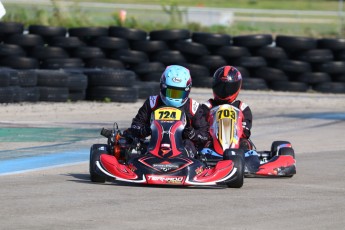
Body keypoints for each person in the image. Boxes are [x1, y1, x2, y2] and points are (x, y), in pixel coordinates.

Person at [124, 65, 209, 158]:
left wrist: (192, 133)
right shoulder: (152, 102)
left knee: (189, 145)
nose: (174, 97)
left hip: (183, 148)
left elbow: (204, 136)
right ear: (162, 87)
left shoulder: (193, 107)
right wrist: (143, 130)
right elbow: (136, 126)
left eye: (179, 93)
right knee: (134, 146)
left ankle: (182, 161)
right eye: (170, 92)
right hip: (155, 144)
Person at [202, 65, 259, 172]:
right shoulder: (207, 106)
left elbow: (246, 131)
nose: (224, 91)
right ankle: (208, 159)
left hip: (236, 142)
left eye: (229, 88)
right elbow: (200, 126)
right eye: (221, 87)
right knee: (204, 143)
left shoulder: (242, 107)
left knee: (245, 143)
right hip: (213, 143)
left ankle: (244, 161)